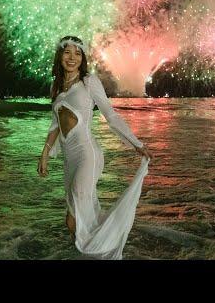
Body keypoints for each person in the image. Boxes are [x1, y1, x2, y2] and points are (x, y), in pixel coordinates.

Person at [38, 35, 153, 260]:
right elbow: (55, 124)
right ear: (60, 56)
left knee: (73, 219)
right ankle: (91, 251)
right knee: (80, 217)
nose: (72, 58)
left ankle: (99, 252)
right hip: (69, 159)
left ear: (83, 58)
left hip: (88, 155)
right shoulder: (56, 85)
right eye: (67, 52)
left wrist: (136, 144)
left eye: (77, 53)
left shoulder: (89, 82)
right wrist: (44, 154)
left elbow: (110, 115)